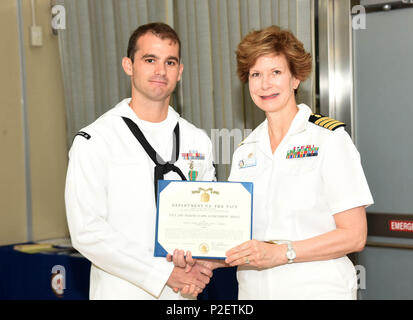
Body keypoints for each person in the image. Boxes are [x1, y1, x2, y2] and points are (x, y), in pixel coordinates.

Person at [168, 26, 373, 300]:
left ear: (296, 78)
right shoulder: (245, 151)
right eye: (256, 74)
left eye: (276, 72)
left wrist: (282, 252)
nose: (265, 84)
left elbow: (354, 236)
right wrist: (206, 262)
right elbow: (241, 238)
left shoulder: (329, 139)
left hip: (318, 291)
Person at [65, 22, 215, 300]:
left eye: (170, 62)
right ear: (128, 65)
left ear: (180, 71)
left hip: (183, 295)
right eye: (150, 60)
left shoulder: (198, 140)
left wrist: (203, 265)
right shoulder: (96, 140)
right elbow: (87, 231)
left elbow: (208, 224)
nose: (160, 70)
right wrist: (163, 273)